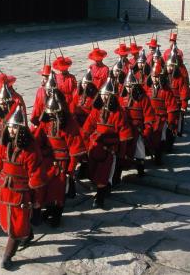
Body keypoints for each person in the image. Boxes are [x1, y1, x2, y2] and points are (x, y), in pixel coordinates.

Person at [0, 106, 45, 270]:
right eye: (10, 126)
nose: (12, 130)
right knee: (11, 223)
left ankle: (7, 256)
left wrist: (37, 200)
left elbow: (35, 175)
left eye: (15, 127)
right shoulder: (4, 146)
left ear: (22, 128)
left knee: (16, 227)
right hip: (4, 190)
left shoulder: (31, 150)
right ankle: (28, 234)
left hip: (21, 193)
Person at [33, 81, 83, 227]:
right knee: (45, 188)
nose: (53, 115)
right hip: (47, 161)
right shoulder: (45, 122)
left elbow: (75, 148)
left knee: (58, 190)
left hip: (62, 163)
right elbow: (38, 138)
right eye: (51, 113)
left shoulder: (70, 124)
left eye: (55, 113)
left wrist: (71, 168)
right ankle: (48, 210)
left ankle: (57, 215)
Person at [81, 76, 133, 209]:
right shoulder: (96, 110)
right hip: (95, 145)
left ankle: (100, 198)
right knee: (93, 173)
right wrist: (84, 140)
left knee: (104, 174)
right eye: (103, 95)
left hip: (110, 149)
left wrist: (120, 151)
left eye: (107, 95)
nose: (104, 98)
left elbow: (123, 133)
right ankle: (103, 189)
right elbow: (88, 126)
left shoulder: (118, 113)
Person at [119, 71, 155, 178]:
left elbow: (148, 114)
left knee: (139, 148)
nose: (129, 88)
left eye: (131, 86)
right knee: (123, 149)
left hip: (138, 128)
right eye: (127, 86)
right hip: (125, 128)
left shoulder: (143, 98)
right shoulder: (121, 97)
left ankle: (140, 168)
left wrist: (147, 129)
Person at [146, 61, 178, 165]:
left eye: (157, 77)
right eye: (153, 77)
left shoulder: (167, 91)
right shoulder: (147, 89)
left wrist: (170, 121)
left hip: (162, 119)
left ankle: (158, 155)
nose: (154, 79)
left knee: (160, 137)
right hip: (150, 118)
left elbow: (171, 107)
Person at [30, 55, 51, 127]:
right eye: (42, 78)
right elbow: (36, 106)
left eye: (45, 78)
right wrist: (34, 119)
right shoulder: (40, 90)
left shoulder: (55, 90)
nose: (42, 80)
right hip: (40, 118)